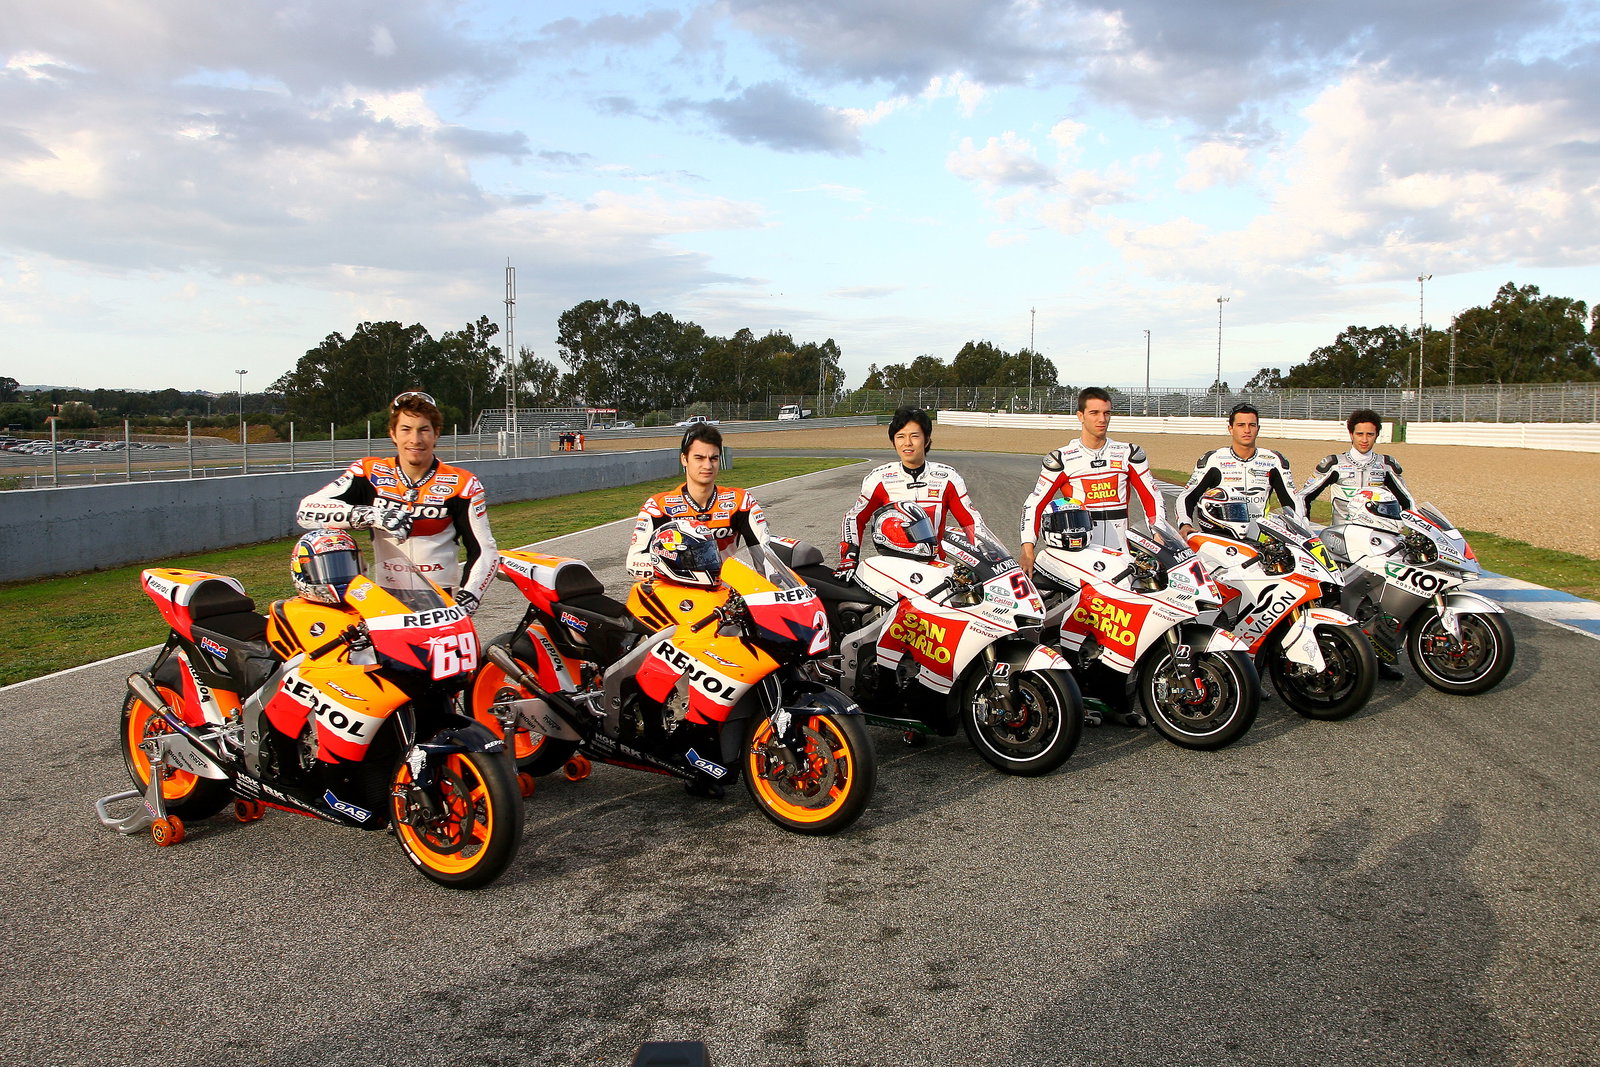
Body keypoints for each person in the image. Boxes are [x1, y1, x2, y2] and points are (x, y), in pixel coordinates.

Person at [296, 390, 497, 614]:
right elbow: (306, 510)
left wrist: (468, 599)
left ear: (436, 434)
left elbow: (484, 550)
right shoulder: (368, 471)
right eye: (406, 429)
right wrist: (373, 515)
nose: (415, 440)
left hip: (441, 600)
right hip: (384, 598)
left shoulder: (463, 482)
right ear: (393, 434)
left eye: (424, 430)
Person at [1018, 387, 1166, 574]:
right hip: (1080, 553)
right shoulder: (1061, 459)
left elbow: (1151, 496)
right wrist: (1027, 547)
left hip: (1121, 553)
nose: (1102, 419)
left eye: (1106, 413)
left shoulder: (1128, 453)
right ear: (1080, 416)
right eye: (1094, 413)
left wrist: (1159, 533)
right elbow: (1035, 503)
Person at [836, 406, 988, 579]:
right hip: (894, 572)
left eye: (914, 436)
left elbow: (971, 521)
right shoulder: (879, 478)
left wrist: (986, 558)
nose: (907, 443)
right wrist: (849, 557)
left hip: (937, 572)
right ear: (893, 441)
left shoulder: (948, 478)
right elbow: (854, 517)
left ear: (927, 440)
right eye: (900, 436)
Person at [625, 422, 770, 578]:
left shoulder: (741, 501)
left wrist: (770, 592)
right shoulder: (658, 506)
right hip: (675, 591)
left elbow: (765, 556)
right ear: (684, 459)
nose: (707, 465)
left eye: (713, 458)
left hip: (726, 593)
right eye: (699, 458)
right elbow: (634, 561)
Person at [1176, 403, 1297, 538]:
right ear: (1231, 429)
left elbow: (1292, 502)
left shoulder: (1274, 461)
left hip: (1262, 543)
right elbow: (1187, 496)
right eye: (1241, 425)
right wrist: (1185, 524)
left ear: (1258, 428)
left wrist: (1298, 531)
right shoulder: (1214, 460)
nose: (1247, 430)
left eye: (1252, 425)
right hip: (1222, 540)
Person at [1295, 409, 1414, 526]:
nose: (1364, 440)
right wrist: (1304, 526)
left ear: (1377, 435)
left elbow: (1407, 501)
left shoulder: (1387, 465)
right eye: (1360, 434)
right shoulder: (1334, 464)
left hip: (1376, 537)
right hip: (1342, 537)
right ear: (1351, 434)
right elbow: (1303, 496)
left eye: (1370, 434)